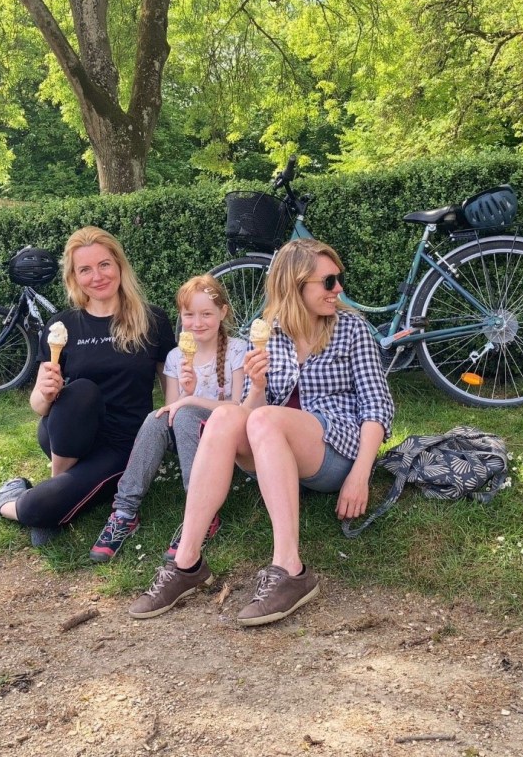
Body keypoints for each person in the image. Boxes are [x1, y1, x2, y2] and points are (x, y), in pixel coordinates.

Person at [128, 238, 395, 626]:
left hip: (334, 449)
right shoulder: (270, 333)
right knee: (225, 417)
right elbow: (249, 413)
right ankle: (186, 562)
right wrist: (256, 387)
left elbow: (377, 407)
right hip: (274, 450)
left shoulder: (351, 328)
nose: (338, 288)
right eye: (328, 281)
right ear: (294, 286)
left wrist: (360, 475)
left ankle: (290, 569)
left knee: (265, 419)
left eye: (337, 279)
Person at [0, 226, 175, 546]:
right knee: (82, 391)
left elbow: (170, 385)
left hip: (123, 444)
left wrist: (170, 427)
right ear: (74, 277)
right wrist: (45, 393)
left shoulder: (152, 320)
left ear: (119, 265)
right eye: (85, 269)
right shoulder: (61, 325)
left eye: (104, 264)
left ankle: (11, 499)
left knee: (37, 506)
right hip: (67, 433)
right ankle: (57, 486)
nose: (97, 276)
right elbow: (39, 405)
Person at [89, 274, 247, 562]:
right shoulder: (176, 357)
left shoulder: (238, 350)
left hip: (225, 435)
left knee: (185, 414)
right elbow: (171, 410)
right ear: (181, 316)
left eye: (206, 314)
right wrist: (188, 390)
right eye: (189, 315)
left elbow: (237, 406)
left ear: (223, 312)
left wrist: (191, 399)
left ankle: (201, 514)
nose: (197, 322)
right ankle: (124, 511)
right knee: (156, 418)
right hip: (187, 430)